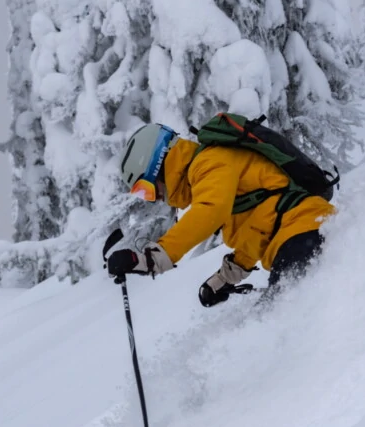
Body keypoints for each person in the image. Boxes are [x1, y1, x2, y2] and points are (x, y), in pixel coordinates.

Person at [105, 122, 334, 306]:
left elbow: (209, 211)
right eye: (144, 194)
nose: (155, 197)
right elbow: (259, 230)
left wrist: (152, 258)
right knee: (273, 317)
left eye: (147, 189)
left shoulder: (209, 162)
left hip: (305, 232)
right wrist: (224, 279)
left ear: (158, 165)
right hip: (301, 233)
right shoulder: (210, 178)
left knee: (285, 317)